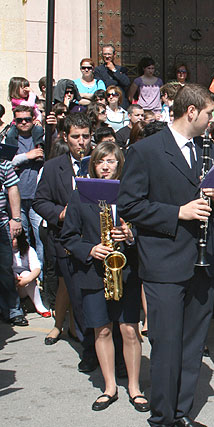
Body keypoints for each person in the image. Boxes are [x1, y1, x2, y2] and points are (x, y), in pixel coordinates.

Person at [117, 83, 214, 427]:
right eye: (208, 114)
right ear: (191, 112)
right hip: (164, 262)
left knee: (192, 346)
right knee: (167, 345)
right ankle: (162, 417)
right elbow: (130, 205)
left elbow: (206, 201)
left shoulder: (209, 150)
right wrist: (178, 212)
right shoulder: (146, 151)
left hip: (202, 262)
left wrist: (213, 197)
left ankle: (181, 413)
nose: (211, 121)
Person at [60, 141, 148, 412]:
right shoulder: (80, 195)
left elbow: (146, 229)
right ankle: (109, 387)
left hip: (127, 272)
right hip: (93, 273)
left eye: (111, 161)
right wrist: (90, 249)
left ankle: (134, 387)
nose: (106, 166)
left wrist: (131, 235)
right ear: (93, 165)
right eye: (100, 161)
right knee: (102, 329)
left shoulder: (130, 192)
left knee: (130, 330)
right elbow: (68, 237)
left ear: (119, 164)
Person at [34, 112, 98, 370]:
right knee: (79, 300)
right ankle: (89, 350)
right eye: (75, 137)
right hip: (66, 242)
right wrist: (60, 213)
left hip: (97, 241)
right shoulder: (53, 166)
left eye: (86, 136)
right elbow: (40, 201)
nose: (81, 142)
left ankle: (110, 353)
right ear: (65, 137)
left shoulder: (102, 161)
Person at [5, 105, 45, 271]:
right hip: (17, 199)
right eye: (19, 120)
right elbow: (5, 162)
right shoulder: (9, 139)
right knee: (23, 238)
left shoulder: (42, 136)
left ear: (33, 119)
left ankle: (40, 275)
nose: (23, 123)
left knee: (40, 238)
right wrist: (27, 156)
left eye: (27, 119)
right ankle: (25, 272)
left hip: (37, 197)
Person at [1, 157, 27, 326]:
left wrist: (16, 218)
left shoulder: (3, 164)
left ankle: (12, 309)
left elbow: (12, 188)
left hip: (1, 225)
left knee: (4, 268)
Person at [12, 232, 49, 317]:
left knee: (26, 274)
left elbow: (37, 269)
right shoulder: (4, 251)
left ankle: (39, 306)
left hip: (24, 284)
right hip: (11, 282)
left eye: (14, 238)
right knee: (10, 274)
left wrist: (26, 280)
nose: (11, 240)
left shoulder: (28, 249)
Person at [93, 44, 130, 108]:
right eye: (105, 54)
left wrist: (114, 70)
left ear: (114, 54)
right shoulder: (98, 70)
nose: (107, 56)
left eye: (109, 54)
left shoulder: (121, 69)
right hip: (106, 103)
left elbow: (126, 83)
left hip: (120, 103)